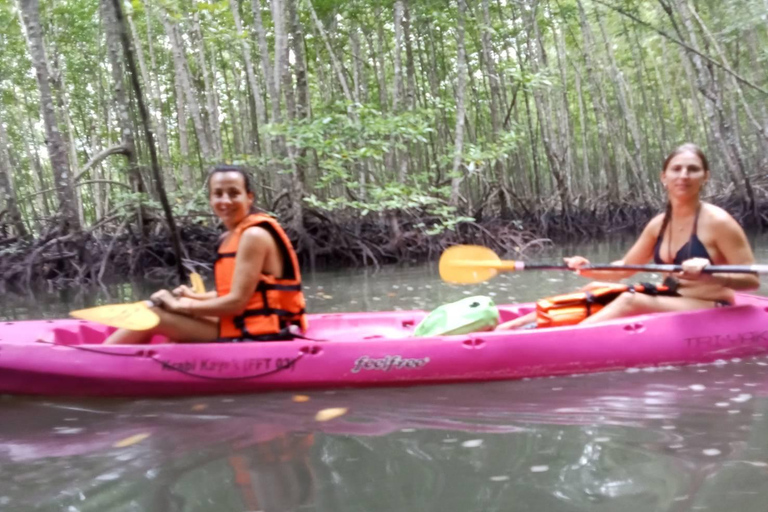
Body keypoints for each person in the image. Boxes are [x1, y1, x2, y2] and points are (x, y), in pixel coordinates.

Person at [497, 143, 760, 330]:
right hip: (673, 297)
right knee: (595, 290)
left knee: (630, 299)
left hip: (712, 304)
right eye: (676, 169)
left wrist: (710, 273)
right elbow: (624, 268)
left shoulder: (719, 222)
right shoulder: (659, 224)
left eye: (692, 169)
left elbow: (750, 281)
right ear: (664, 177)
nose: (684, 175)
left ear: (705, 177)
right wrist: (586, 268)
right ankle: (513, 327)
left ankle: (559, 341)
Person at [104, 165, 307, 344]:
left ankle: (100, 364)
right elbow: (239, 292)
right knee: (163, 316)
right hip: (243, 322)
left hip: (262, 332)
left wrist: (181, 306)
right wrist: (195, 297)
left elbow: (237, 303)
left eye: (234, 193)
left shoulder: (254, 235)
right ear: (210, 199)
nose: (225, 200)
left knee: (150, 317)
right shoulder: (230, 236)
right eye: (218, 194)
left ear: (249, 197)